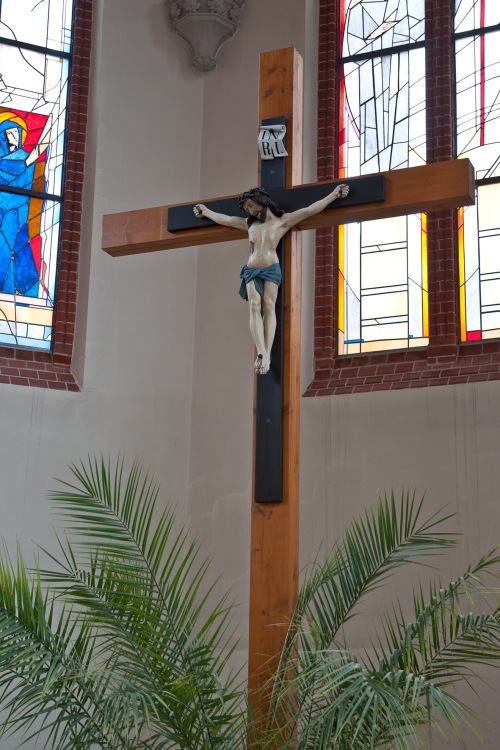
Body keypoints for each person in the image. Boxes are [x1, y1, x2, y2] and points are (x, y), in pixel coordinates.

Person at [194, 183, 349, 374]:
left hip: (271, 268)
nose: (250, 210)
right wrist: (206, 211)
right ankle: (260, 351)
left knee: (268, 305)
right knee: (254, 304)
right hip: (251, 269)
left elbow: (309, 210)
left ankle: (267, 354)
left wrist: (333, 195)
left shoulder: (282, 221)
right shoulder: (249, 224)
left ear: (261, 201)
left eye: (251, 205)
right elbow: (226, 219)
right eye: (247, 208)